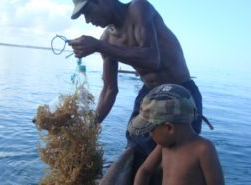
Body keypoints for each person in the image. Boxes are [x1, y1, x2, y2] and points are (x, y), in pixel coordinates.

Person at [69, 0, 203, 174]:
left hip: (180, 92)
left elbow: (152, 59)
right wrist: (90, 126)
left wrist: (98, 46)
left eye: (87, 11)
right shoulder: (106, 39)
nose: (87, 20)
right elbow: (110, 89)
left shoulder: (138, 8)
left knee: (177, 158)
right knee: (136, 150)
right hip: (150, 93)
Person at [128, 84, 225, 185]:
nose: (149, 134)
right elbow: (144, 171)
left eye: (151, 130)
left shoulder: (203, 149)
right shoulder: (163, 147)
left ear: (169, 128)